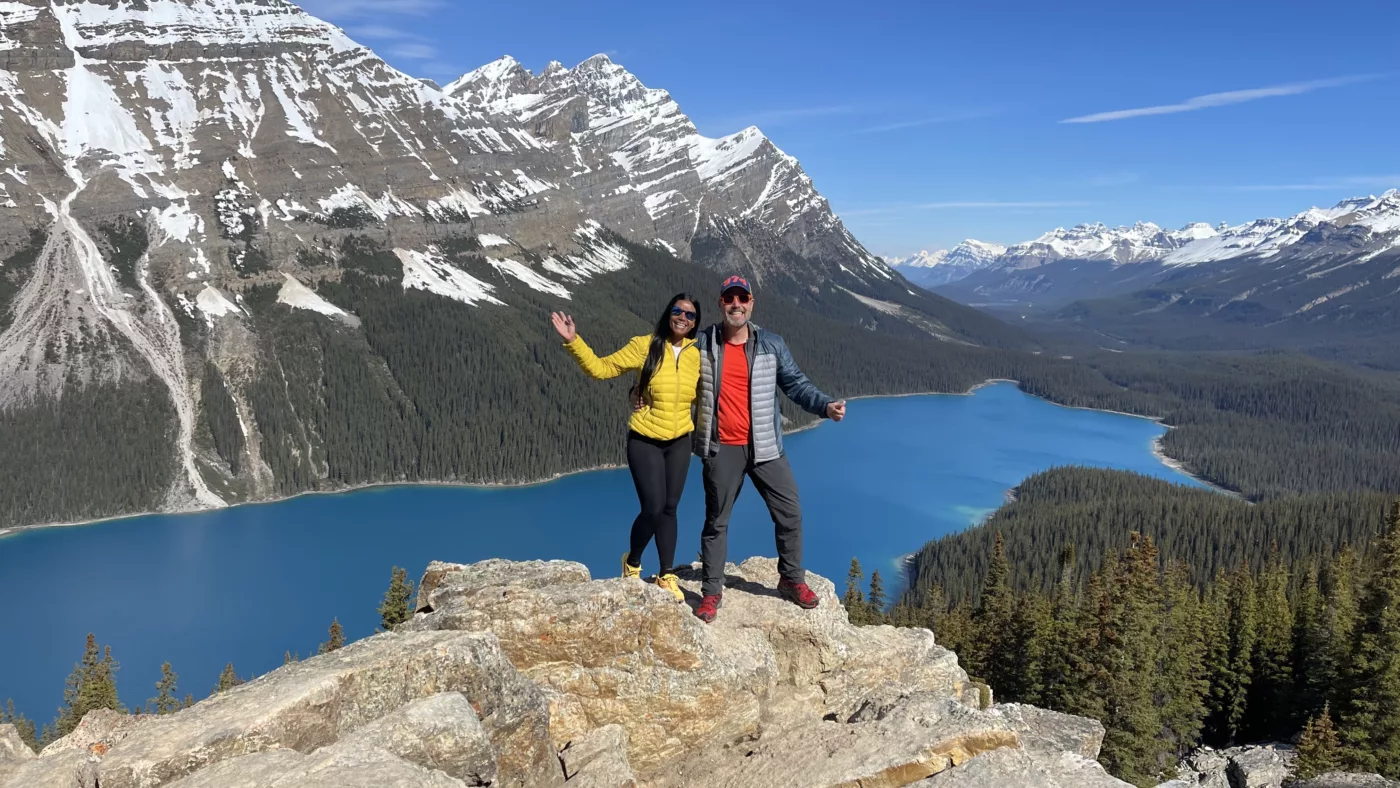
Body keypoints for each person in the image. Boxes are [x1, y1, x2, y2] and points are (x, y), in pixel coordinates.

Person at [690, 275, 846, 623]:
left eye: (742, 298)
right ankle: (712, 593)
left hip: (766, 447)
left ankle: (791, 579)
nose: (736, 305)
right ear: (721, 303)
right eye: (729, 299)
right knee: (717, 522)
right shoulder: (702, 343)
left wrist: (824, 406)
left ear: (751, 303)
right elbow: (668, 367)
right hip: (721, 448)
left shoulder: (770, 344)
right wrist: (640, 392)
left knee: (790, 514)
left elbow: (796, 384)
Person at [550, 295, 702, 602]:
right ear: (668, 313)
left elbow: (700, 394)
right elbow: (601, 369)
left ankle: (667, 573)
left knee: (670, 508)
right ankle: (632, 562)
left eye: (690, 315)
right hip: (645, 439)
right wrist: (573, 341)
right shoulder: (644, 346)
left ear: (696, 323)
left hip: (680, 441)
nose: (682, 318)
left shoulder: (696, 355)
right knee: (653, 507)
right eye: (677, 310)